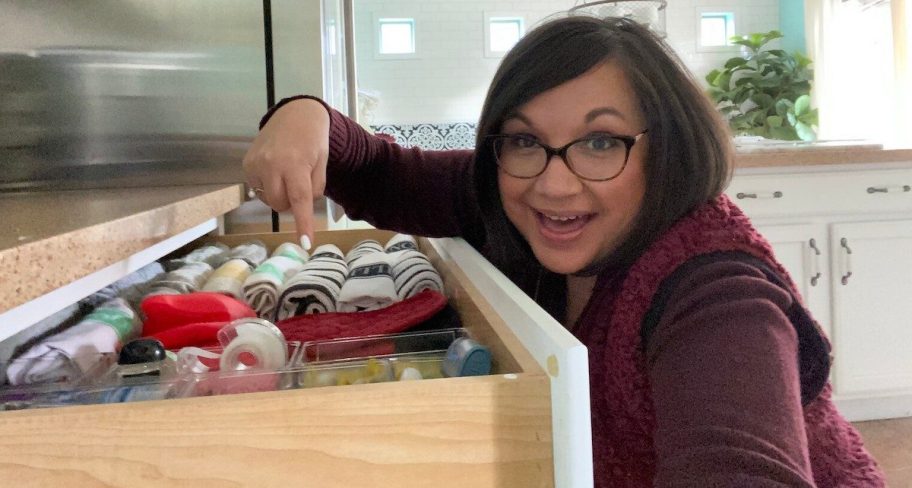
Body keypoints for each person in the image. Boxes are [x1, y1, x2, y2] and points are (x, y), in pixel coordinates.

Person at [243, 15, 885, 487]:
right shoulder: (508, 200)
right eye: (523, 141)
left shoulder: (715, 291)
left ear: (666, 148)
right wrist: (305, 113)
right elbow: (380, 170)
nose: (554, 182)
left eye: (600, 142)